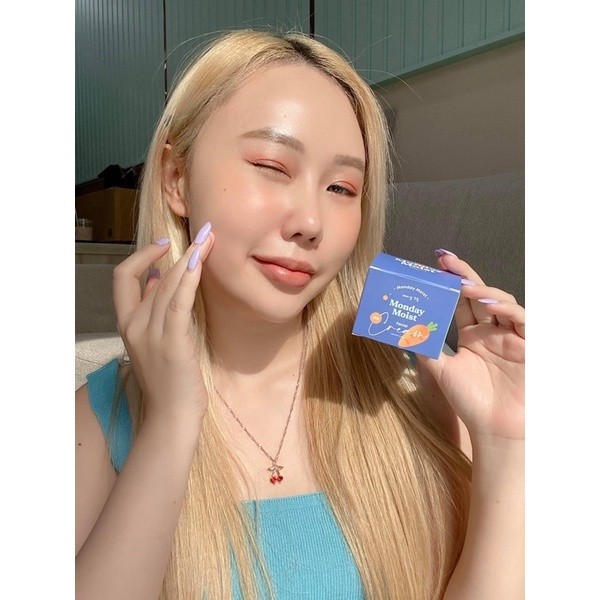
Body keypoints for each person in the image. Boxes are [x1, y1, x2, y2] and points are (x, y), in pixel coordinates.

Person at [75, 29, 524, 600]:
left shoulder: (421, 388)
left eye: (342, 187)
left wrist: (509, 444)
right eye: (271, 165)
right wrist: (170, 422)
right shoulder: (95, 422)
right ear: (176, 179)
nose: (311, 222)